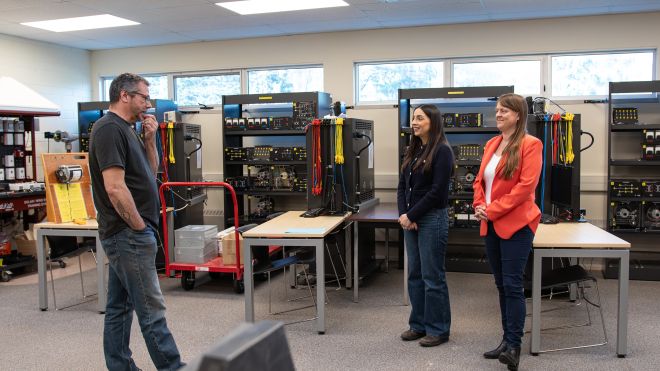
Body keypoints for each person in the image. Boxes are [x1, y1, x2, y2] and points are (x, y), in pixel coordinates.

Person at [89, 73, 183, 371]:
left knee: (120, 307)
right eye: (144, 97)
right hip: (127, 234)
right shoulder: (108, 129)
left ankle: (120, 367)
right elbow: (115, 187)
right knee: (151, 309)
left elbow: (148, 172)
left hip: (132, 232)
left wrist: (150, 141)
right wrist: (139, 227)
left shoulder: (128, 129)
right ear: (125, 95)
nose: (148, 103)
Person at [472, 93, 543, 371]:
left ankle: (514, 346)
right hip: (489, 221)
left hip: (517, 223)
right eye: (497, 110)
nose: (498, 114)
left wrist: (493, 209)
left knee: (513, 285)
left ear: (518, 115)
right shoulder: (492, 143)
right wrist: (479, 204)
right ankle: (506, 339)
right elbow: (480, 180)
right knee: (501, 285)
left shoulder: (530, 144)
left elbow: (525, 188)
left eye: (504, 111)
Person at [397, 104, 454, 347]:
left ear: (434, 122)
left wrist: (412, 215)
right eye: (413, 118)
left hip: (431, 218)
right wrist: (404, 214)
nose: (414, 122)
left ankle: (439, 329)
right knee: (415, 275)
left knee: (432, 276)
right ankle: (418, 325)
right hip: (412, 218)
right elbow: (402, 187)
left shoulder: (442, 151)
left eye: (420, 118)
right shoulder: (413, 150)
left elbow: (437, 192)